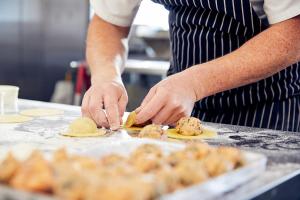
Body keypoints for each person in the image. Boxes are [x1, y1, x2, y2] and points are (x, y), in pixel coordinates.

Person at [82, 0, 300, 132]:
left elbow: (294, 31)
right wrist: (106, 77)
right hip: (180, 110)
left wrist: (195, 83)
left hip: (267, 107)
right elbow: (109, 21)